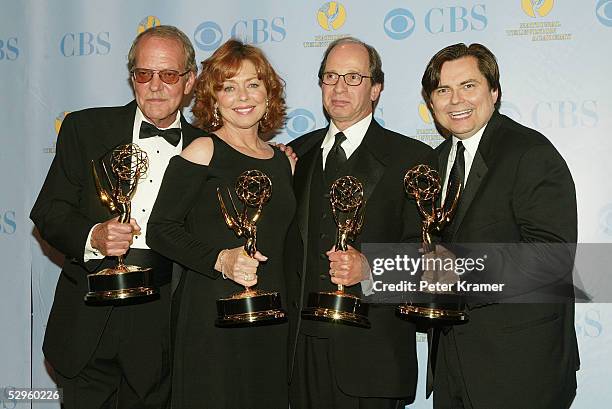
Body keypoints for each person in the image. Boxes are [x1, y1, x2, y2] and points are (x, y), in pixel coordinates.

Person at [30, 25, 202, 408]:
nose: (155, 86)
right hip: (88, 319)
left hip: (163, 327)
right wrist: (92, 236)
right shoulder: (84, 128)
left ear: (189, 81)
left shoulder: (208, 148)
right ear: (132, 78)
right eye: (145, 74)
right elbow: (49, 210)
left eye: (169, 75)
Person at [421, 43, 579, 409]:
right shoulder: (431, 164)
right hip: (451, 365)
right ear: (431, 102)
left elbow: (552, 258)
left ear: (494, 92)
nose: (455, 99)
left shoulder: (529, 152)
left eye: (468, 86)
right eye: (443, 90)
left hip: (520, 368)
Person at [286, 37, 434, 409]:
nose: (339, 87)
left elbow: (433, 258)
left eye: (353, 77)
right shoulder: (294, 156)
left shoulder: (411, 159)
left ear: (376, 89)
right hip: (297, 356)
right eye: (330, 76)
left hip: (373, 359)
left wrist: (371, 269)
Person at [146, 39, 295, 408]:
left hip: (272, 317)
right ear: (213, 97)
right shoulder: (202, 151)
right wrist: (220, 259)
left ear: (268, 94)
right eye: (229, 87)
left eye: (253, 84)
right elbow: (160, 229)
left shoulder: (284, 162)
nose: (242, 96)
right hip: (212, 317)